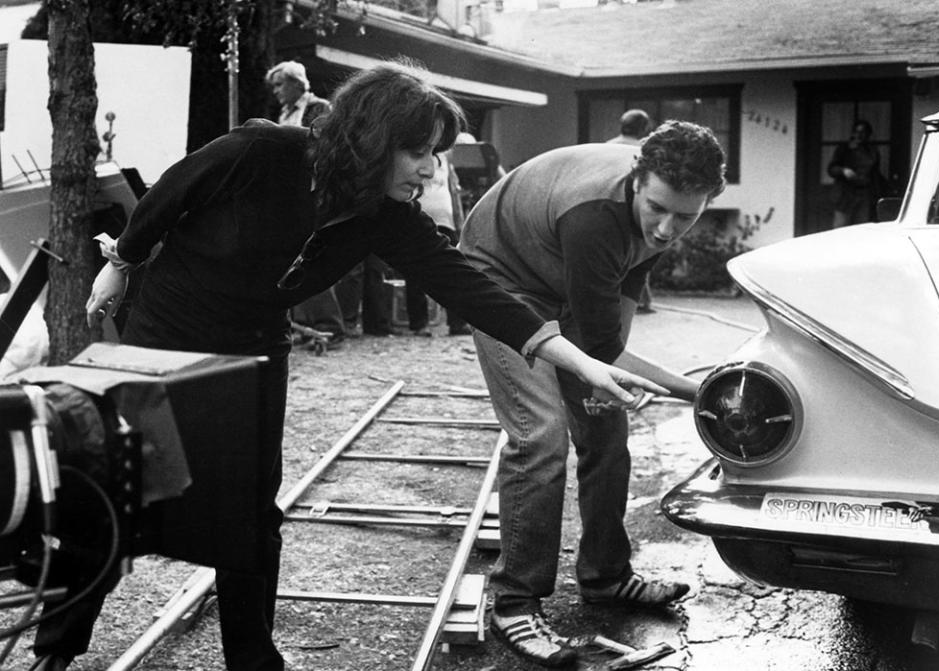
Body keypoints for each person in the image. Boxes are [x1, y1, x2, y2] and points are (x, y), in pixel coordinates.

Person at [59, 61, 665, 671]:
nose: (430, 169)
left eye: (434, 154)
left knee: (248, 505)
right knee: (121, 486)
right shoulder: (260, 150)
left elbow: (470, 289)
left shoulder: (385, 215)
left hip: (254, 349)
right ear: (373, 139)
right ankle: (58, 646)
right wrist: (123, 262)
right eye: (418, 152)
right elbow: (168, 195)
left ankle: (252, 657)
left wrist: (579, 362)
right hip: (168, 334)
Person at [459, 120, 726, 668]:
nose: (666, 228)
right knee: (542, 436)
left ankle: (606, 577)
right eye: (657, 208)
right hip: (499, 281)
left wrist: (648, 385)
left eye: (686, 216)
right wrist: (701, 390)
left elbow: (610, 343)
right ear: (636, 177)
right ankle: (514, 601)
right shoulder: (596, 218)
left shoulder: (656, 218)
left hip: (554, 277)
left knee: (606, 424)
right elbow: (605, 354)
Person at [265, 60, 346, 346]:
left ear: (297, 83)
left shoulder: (319, 108)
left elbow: (327, 149)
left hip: (316, 190)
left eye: (279, 84)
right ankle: (308, 326)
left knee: (311, 254)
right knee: (291, 255)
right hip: (289, 192)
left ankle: (330, 325)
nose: (275, 91)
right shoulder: (285, 112)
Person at [403, 149, 471, 336]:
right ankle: (419, 323)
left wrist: (459, 220)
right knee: (416, 271)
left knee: (454, 271)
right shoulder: (415, 154)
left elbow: (453, 189)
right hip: (419, 217)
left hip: (445, 219)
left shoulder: (446, 158)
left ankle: (457, 322)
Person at [607, 108, 655, 312]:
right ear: (643, 128)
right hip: (634, 210)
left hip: (607, 207)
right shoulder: (645, 149)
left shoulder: (607, 146)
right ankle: (642, 302)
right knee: (638, 258)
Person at [827, 119, 888, 228]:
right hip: (845, 196)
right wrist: (843, 171)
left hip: (864, 196)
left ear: (868, 134)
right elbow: (831, 169)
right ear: (853, 133)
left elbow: (875, 174)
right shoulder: (844, 149)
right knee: (840, 230)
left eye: (863, 132)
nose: (859, 135)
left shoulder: (873, 151)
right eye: (857, 132)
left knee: (861, 229)